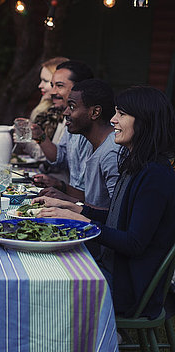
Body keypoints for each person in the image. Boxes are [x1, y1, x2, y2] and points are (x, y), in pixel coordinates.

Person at [36, 86, 175, 319]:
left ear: (144, 121)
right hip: (115, 270)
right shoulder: (137, 164)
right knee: (46, 267)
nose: (112, 120)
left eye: (121, 114)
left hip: (130, 288)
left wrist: (83, 222)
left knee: (48, 287)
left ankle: (97, 335)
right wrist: (75, 208)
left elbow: (133, 243)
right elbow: (118, 218)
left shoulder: (155, 175)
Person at [34, 79, 120, 209]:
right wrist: (61, 188)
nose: (65, 112)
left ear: (95, 112)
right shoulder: (94, 145)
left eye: (72, 107)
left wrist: (69, 203)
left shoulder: (112, 152)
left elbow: (116, 214)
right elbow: (95, 200)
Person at [33, 60, 94, 201]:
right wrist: (39, 136)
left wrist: (61, 187)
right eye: (52, 85)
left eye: (59, 86)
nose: (52, 92)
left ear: (80, 88)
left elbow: (95, 200)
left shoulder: (94, 128)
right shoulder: (71, 120)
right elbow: (60, 158)